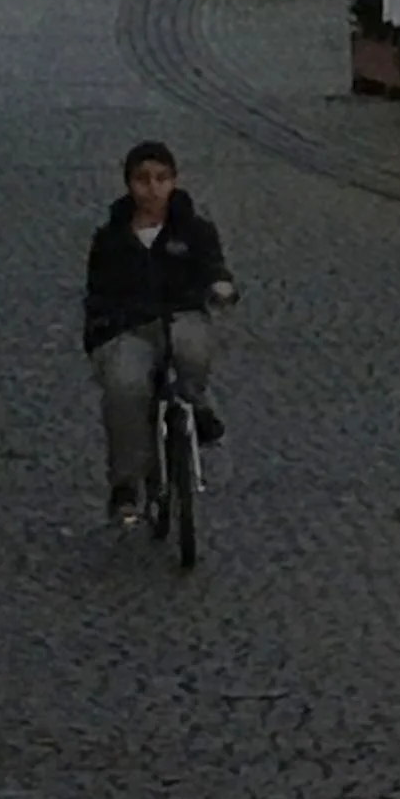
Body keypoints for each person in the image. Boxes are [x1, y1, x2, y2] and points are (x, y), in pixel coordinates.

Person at [83, 139, 236, 524]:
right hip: (128, 327)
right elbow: (98, 293)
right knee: (125, 388)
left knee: (191, 348)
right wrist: (103, 328)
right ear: (129, 185)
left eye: (161, 179)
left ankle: (196, 405)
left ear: (174, 182)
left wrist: (220, 287)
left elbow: (214, 268)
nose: (152, 189)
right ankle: (126, 484)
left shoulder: (195, 230)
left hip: (181, 316)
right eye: (142, 180)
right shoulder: (111, 238)